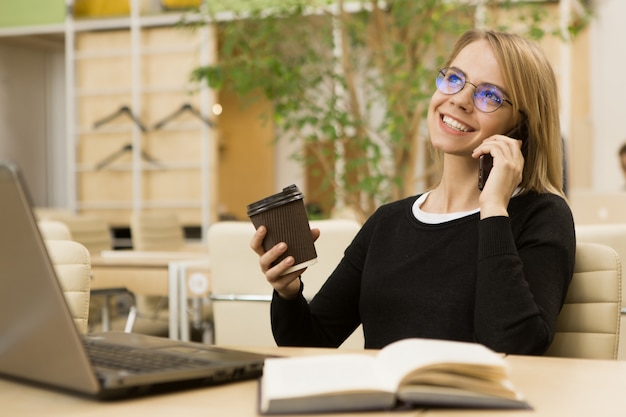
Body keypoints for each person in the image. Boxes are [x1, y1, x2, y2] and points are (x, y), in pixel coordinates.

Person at [250, 29, 576, 355]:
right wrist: (288, 293)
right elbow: (311, 343)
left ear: (520, 126)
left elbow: (514, 347)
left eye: (490, 95)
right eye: (455, 78)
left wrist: (492, 207)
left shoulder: (541, 216)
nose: (459, 99)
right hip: (383, 404)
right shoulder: (387, 223)